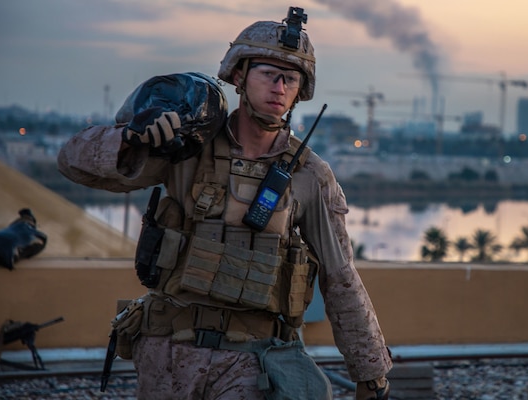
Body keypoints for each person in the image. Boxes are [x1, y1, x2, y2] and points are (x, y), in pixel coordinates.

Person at [58, 6, 392, 400]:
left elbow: (340, 275)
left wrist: (370, 370)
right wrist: (131, 140)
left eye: (291, 79)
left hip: (252, 360)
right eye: (269, 74)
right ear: (238, 76)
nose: (280, 88)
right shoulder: (187, 146)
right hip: (169, 352)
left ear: (301, 91)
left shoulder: (310, 176)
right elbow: (73, 164)